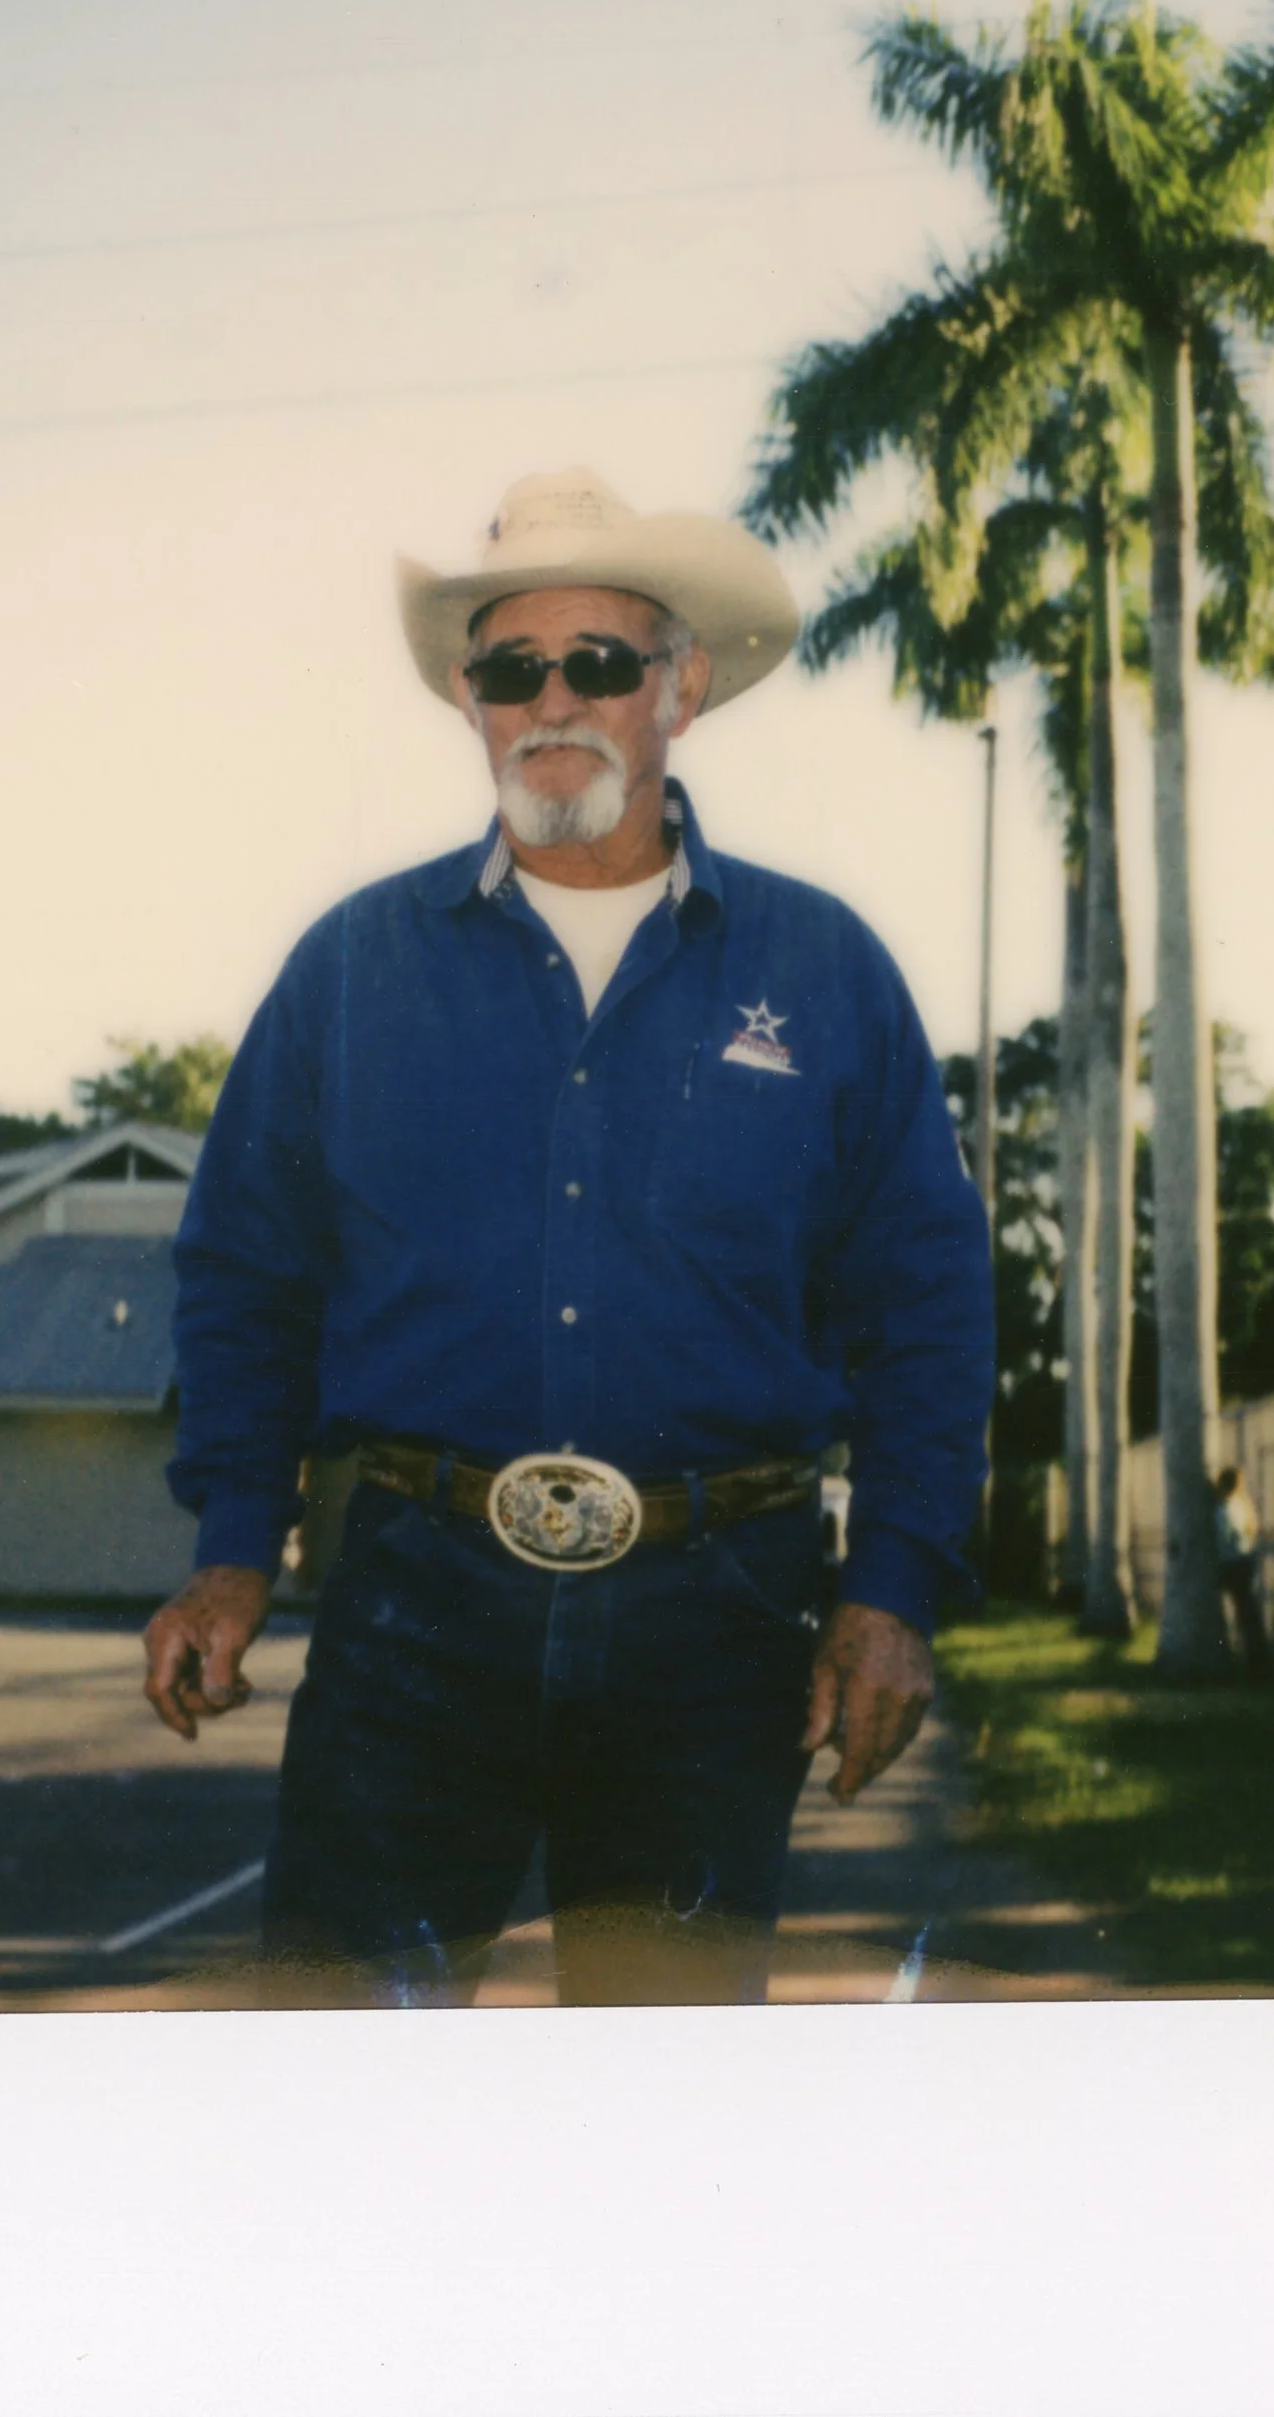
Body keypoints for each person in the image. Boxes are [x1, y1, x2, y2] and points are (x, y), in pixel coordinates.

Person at [141, 468, 993, 2003]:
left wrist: (893, 1591)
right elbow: (245, 1274)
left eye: (598, 662)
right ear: (470, 701)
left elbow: (926, 1295)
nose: (553, 700)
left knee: (665, 2115)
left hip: (719, 1621)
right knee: (341, 2079)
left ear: (683, 689)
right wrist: (227, 1549)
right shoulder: (350, 965)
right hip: (412, 1605)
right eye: (508, 668)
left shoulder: (826, 968)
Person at [1212, 1464, 1274, 1680]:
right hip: (1244, 1562)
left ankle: (1257, 1664)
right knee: (1249, 1613)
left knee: (1245, 1614)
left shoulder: (1223, 1509)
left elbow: (1226, 1538)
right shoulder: (1239, 1505)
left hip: (1234, 1564)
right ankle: (1258, 1661)